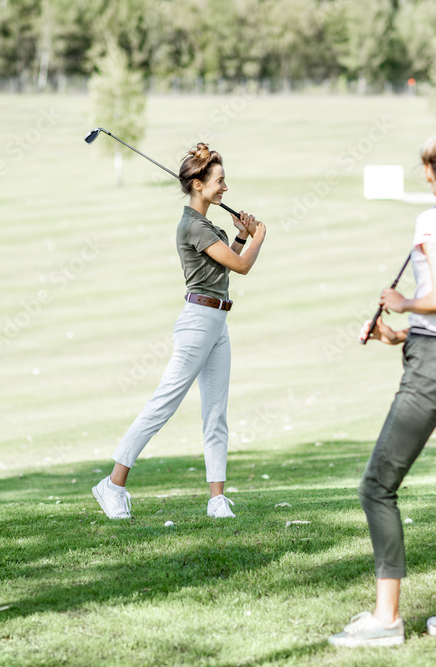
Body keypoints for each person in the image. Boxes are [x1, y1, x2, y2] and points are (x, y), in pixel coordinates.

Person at [329, 131, 436, 647]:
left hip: (435, 365)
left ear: (434, 170)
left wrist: (403, 302)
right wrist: (396, 332)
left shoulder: (433, 219)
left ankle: (386, 621)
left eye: (424, 168)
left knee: (376, 485)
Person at [92, 143, 266, 520]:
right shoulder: (192, 225)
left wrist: (238, 235)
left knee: (216, 412)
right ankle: (113, 484)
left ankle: (217, 499)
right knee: (163, 404)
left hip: (217, 322)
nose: (224, 188)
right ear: (198, 184)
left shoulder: (208, 226)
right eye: (219, 181)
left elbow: (222, 266)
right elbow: (240, 266)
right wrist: (257, 238)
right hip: (198, 323)